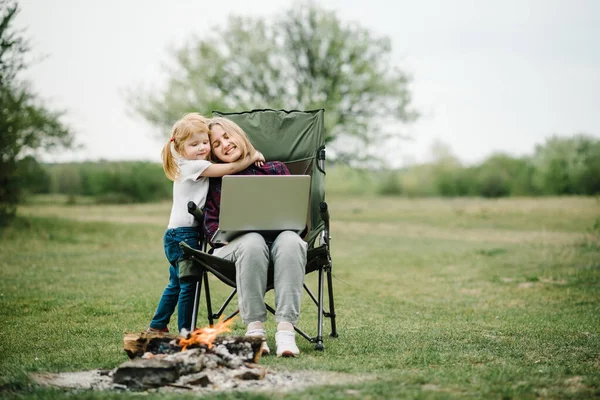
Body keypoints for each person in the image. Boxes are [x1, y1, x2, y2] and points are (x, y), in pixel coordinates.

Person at [148, 113, 264, 334]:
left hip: (176, 234)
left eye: (204, 143)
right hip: (184, 235)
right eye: (194, 144)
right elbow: (230, 169)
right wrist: (252, 156)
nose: (202, 148)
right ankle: (186, 331)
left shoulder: (187, 161)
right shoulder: (192, 166)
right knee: (188, 284)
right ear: (180, 148)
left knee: (176, 283)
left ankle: (157, 325)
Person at [203, 117, 307, 357]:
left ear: (240, 135)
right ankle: (255, 331)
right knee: (252, 241)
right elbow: (209, 225)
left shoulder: (276, 169)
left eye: (227, 137)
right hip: (237, 248)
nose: (225, 144)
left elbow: (296, 216)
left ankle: (286, 331)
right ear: (214, 155)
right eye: (216, 144)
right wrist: (222, 236)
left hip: (280, 244)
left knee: (292, 240)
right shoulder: (216, 179)